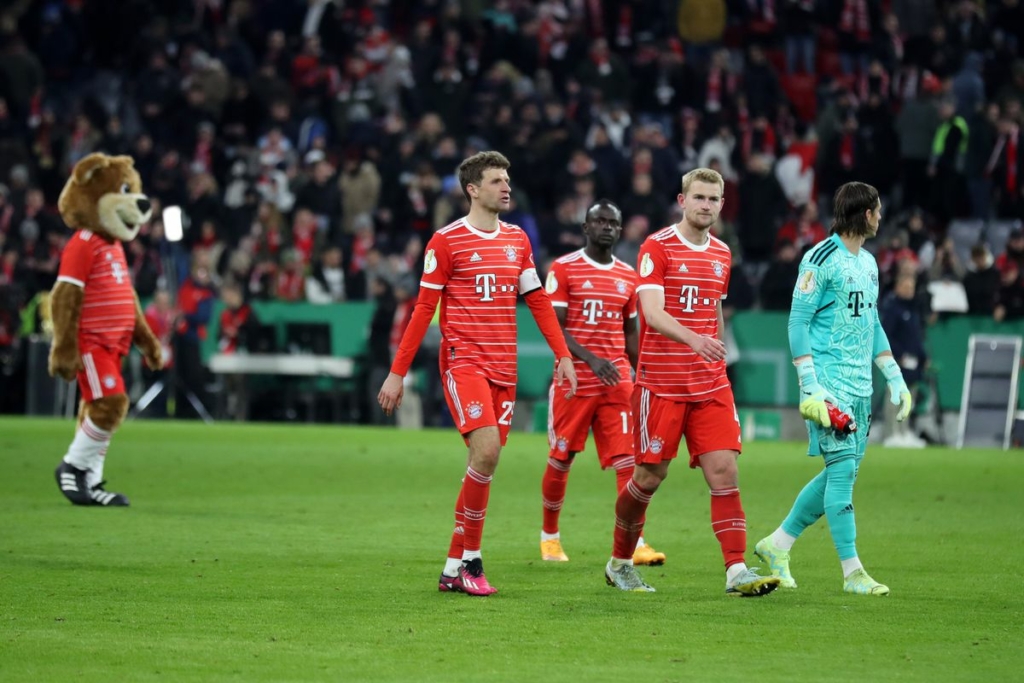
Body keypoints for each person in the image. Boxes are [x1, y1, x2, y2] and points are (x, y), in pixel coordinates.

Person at [378, 151, 577, 597]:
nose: (506, 187)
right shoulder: (445, 242)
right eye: (496, 181)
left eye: (507, 179)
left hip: (504, 366)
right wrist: (397, 373)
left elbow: (540, 303)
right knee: (486, 453)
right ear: (473, 189)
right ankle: (471, 561)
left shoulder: (517, 240)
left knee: (480, 464)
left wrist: (562, 354)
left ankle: (451, 567)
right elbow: (423, 310)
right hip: (464, 362)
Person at [604, 168, 780, 597]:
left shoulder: (721, 253)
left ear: (722, 204)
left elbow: (715, 310)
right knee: (648, 477)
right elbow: (652, 311)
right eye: (698, 197)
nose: (706, 205)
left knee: (725, 471)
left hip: (709, 384)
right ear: (682, 201)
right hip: (660, 385)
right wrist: (695, 339)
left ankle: (737, 570)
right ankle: (620, 561)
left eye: (714, 199)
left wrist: (714, 346)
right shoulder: (657, 247)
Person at [754, 181, 913, 597]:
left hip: (861, 387)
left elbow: (872, 323)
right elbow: (797, 322)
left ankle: (777, 545)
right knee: (842, 475)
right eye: (877, 210)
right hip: (829, 386)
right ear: (865, 213)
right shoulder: (820, 258)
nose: (881, 217)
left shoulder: (870, 263)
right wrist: (810, 388)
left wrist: (894, 376)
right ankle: (852, 571)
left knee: (839, 473)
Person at [539, 200, 665, 566]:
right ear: (586, 227)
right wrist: (591, 359)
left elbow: (630, 334)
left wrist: (644, 374)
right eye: (600, 221)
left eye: (614, 222)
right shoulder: (563, 269)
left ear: (620, 229)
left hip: (617, 382)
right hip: (574, 380)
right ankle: (550, 537)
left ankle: (636, 541)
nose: (607, 227)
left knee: (630, 462)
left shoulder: (629, 276)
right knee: (562, 457)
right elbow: (555, 327)